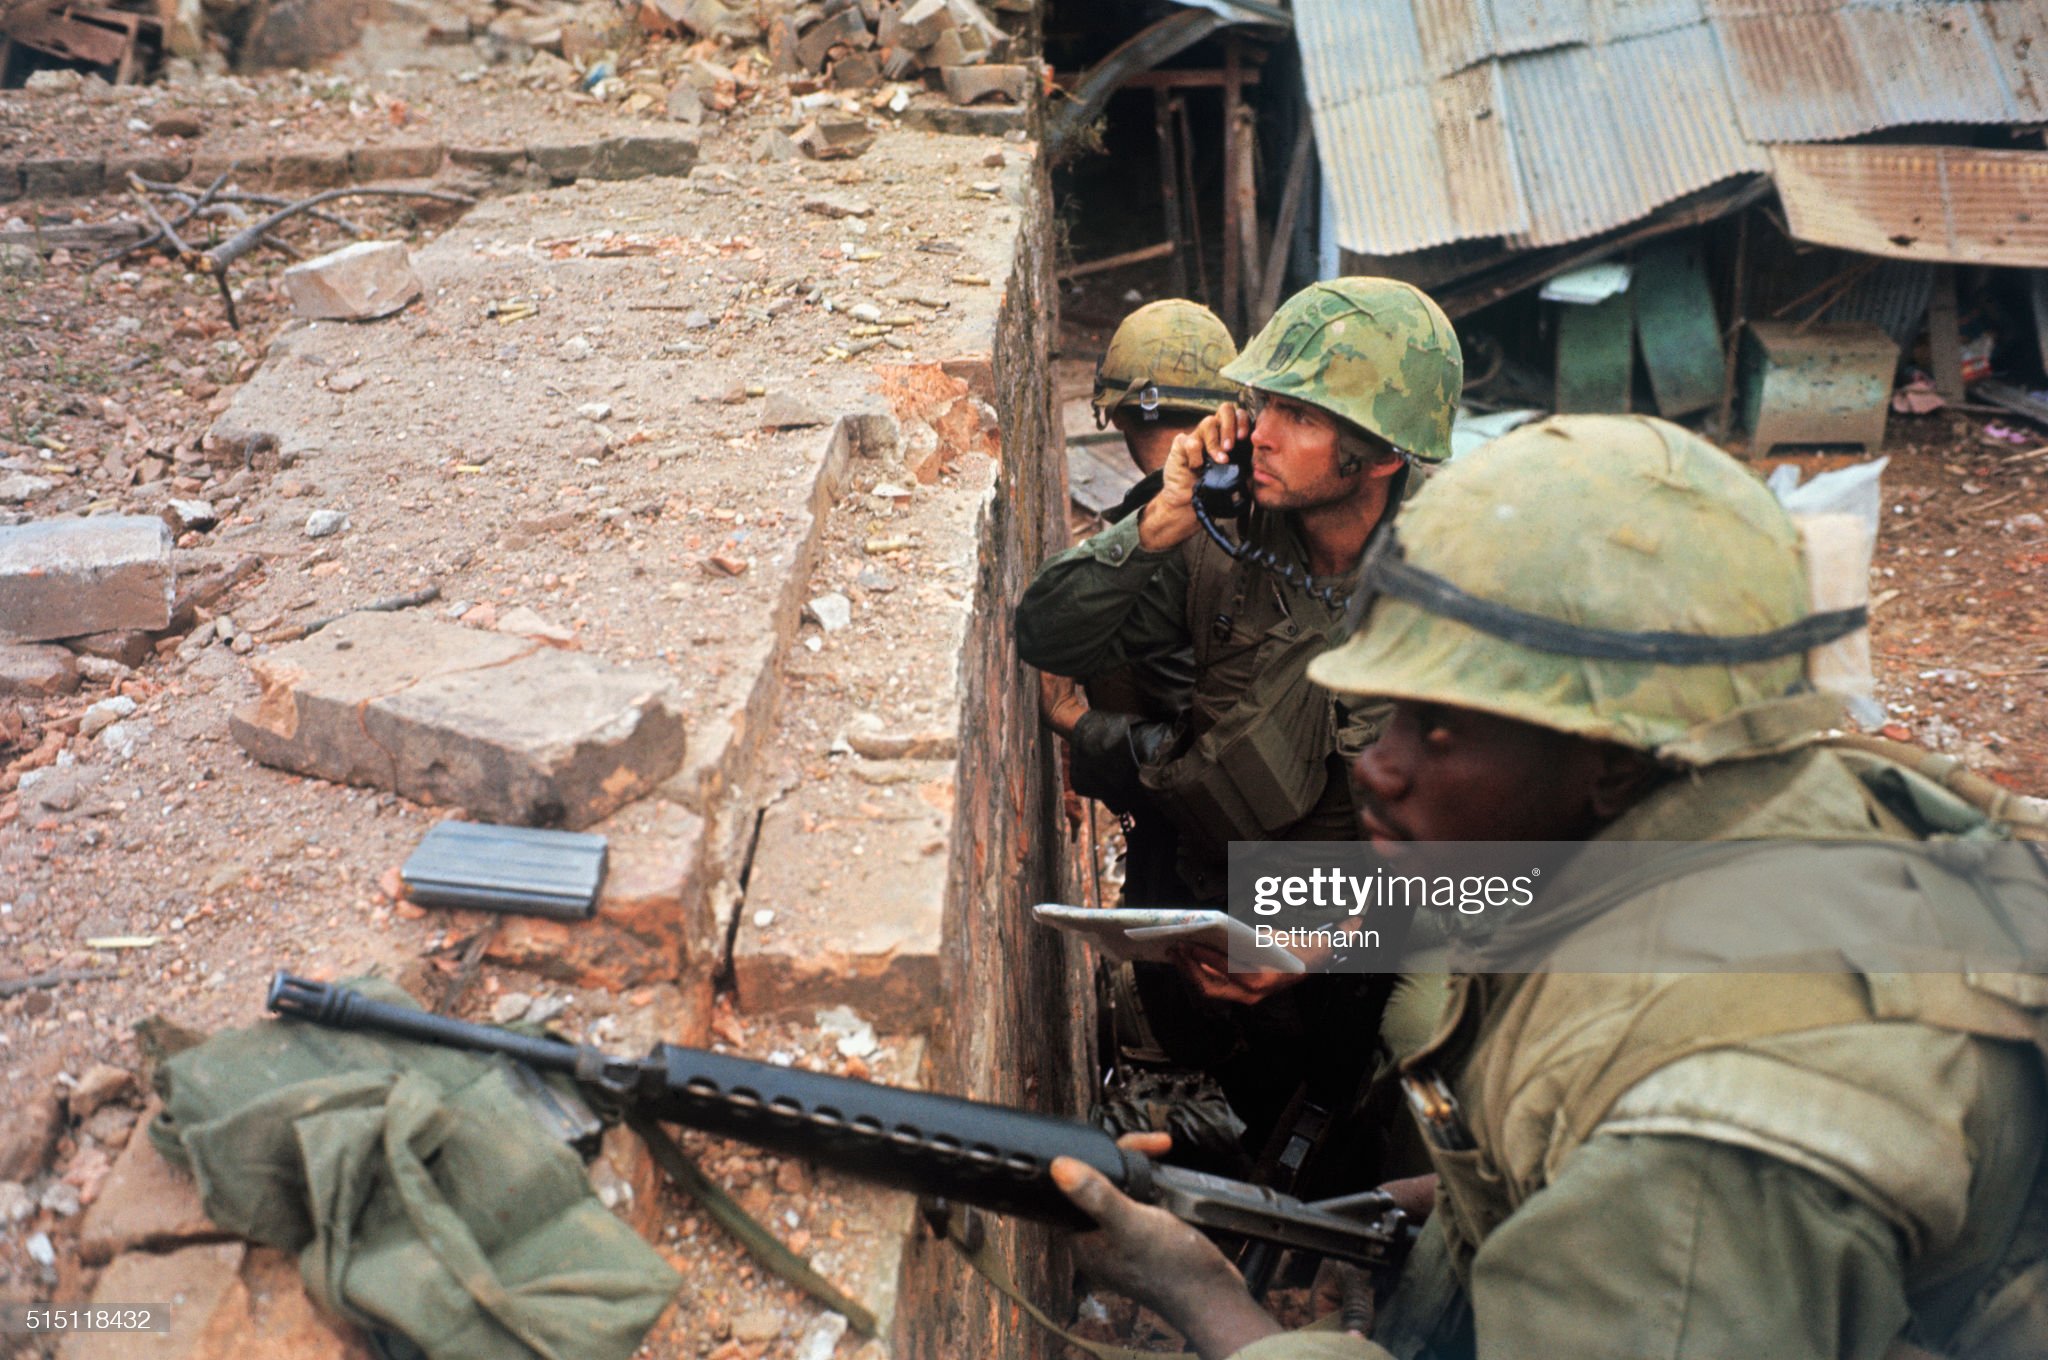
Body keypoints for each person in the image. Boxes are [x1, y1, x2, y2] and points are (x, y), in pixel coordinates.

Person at [1048, 414, 2048, 1360]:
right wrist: (1432, 1196)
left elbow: (1669, 1192)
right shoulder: (1761, 788)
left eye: (1438, 727)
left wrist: (1195, 1289)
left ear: (1609, 759)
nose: (1379, 766)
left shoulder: (1698, 1154)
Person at [1017, 276, 1464, 1170]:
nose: (1257, 431)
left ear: (1378, 458)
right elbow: (1048, 632)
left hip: (1400, 909)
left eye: (1299, 417)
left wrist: (1328, 943)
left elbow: (1531, 866)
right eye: (1263, 403)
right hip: (1245, 879)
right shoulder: (1225, 540)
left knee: (1424, 1050)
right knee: (1212, 1038)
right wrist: (1164, 515)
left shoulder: (1463, 583)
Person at [1043, 299, 1239, 914]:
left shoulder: (1140, 551)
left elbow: (1206, 759)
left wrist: (1079, 725)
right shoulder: (1268, 514)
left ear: (1119, 418)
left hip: (1204, 865)